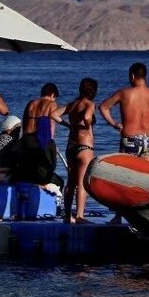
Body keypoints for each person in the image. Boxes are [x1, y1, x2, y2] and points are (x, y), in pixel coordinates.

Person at [99, 62, 149, 161]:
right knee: (148, 173)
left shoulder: (123, 94)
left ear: (132, 76)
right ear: (145, 77)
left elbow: (103, 107)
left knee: (127, 173)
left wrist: (114, 124)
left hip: (130, 139)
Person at [63, 78, 98, 223]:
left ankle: (67, 215)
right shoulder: (90, 104)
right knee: (82, 183)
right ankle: (79, 216)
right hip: (85, 147)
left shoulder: (72, 104)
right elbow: (87, 116)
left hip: (71, 146)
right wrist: (87, 125)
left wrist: (69, 125)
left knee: (70, 183)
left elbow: (53, 114)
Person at [16, 83, 64, 186]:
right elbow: (51, 125)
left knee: (28, 169)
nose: (55, 100)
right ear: (52, 94)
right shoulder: (52, 104)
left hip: (26, 139)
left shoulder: (31, 103)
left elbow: (24, 122)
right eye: (55, 97)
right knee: (46, 169)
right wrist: (51, 144)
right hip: (40, 141)